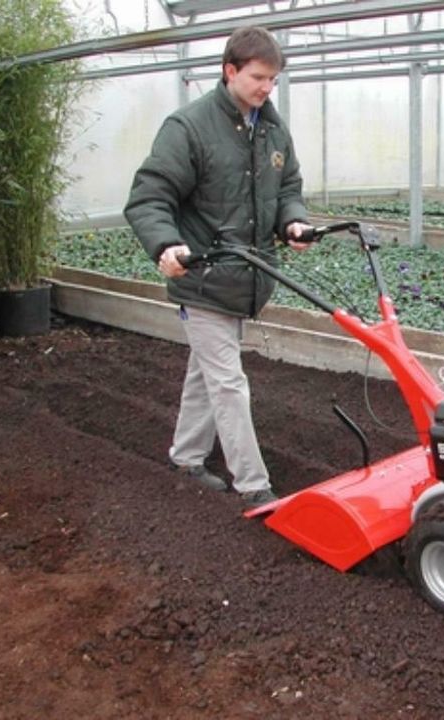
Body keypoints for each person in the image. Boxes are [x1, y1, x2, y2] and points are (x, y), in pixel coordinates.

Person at [124, 26, 311, 508]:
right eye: (258, 78)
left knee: (205, 374)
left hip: (247, 277)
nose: (267, 88)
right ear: (230, 71)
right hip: (204, 277)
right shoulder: (189, 128)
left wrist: (293, 224)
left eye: (273, 80)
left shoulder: (271, 128)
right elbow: (150, 196)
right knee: (228, 383)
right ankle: (255, 487)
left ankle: (186, 457)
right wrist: (165, 244)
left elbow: (287, 187)